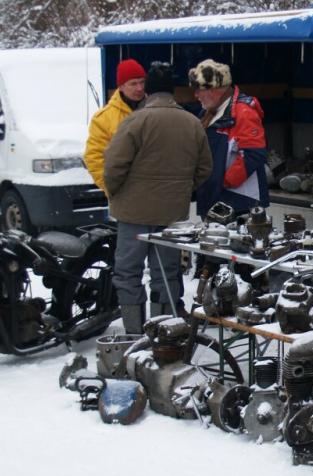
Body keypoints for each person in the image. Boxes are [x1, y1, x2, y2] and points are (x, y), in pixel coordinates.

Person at [103, 62, 212, 333]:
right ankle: (165, 334)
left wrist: (116, 193)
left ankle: (134, 333)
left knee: (128, 274)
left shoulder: (134, 121)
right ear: (172, 91)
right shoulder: (192, 122)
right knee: (166, 274)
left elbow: (113, 167)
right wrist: (181, 191)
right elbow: (204, 168)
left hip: (132, 214)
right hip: (172, 215)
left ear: (148, 91)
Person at [188, 59, 268, 218]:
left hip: (239, 201)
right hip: (215, 197)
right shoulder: (208, 113)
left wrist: (222, 182)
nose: (196, 95)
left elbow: (254, 155)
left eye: (198, 90)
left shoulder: (243, 112)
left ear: (213, 90)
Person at [84, 59, 146, 192]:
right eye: (133, 84)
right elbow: (94, 157)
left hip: (157, 193)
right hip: (124, 195)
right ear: (121, 87)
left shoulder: (157, 110)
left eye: (142, 82)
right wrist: (111, 188)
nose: (139, 88)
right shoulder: (103, 119)